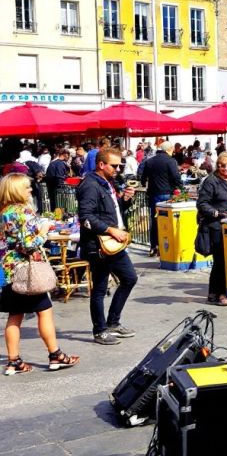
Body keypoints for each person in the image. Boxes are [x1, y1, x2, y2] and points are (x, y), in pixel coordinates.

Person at [1, 174, 80, 375]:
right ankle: (56, 355)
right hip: (27, 271)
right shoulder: (23, 211)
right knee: (44, 311)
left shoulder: (5, 212)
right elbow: (29, 245)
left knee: (14, 316)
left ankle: (13, 361)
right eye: (27, 187)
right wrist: (44, 230)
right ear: (17, 190)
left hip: (9, 270)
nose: (30, 190)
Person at [77, 148, 138, 345]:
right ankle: (100, 330)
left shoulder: (107, 183)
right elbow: (86, 216)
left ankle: (112, 322)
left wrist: (125, 201)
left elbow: (112, 211)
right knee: (100, 288)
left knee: (129, 278)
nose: (118, 169)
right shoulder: (90, 185)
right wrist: (111, 230)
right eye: (114, 166)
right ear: (101, 165)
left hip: (113, 244)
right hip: (99, 245)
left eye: (120, 165)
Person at [196, 152, 227, 307]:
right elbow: (202, 204)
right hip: (216, 226)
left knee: (224, 260)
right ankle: (220, 295)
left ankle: (213, 294)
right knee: (221, 261)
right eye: (222, 165)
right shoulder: (211, 181)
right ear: (218, 166)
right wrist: (216, 213)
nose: (226, 168)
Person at [141, 141, 183, 257]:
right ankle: (165, 246)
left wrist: (145, 184)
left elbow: (143, 178)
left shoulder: (149, 161)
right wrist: (181, 187)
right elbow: (176, 177)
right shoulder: (170, 161)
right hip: (165, 193)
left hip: (153, 194)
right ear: (169, 149)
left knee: (154, 221)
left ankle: (153, 246)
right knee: (166, 221)